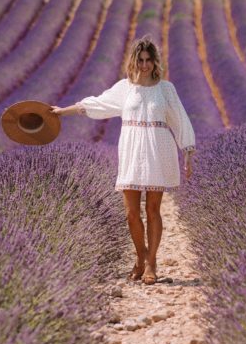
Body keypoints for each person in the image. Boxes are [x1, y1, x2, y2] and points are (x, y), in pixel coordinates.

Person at [49, 35, 196, 285]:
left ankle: (151, 263)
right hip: (131, 150)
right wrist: (63, 111)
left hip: (158, 148)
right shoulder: (124, 88)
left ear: (155, 61)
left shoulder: (165, 89)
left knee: (152, 210)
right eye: (140, 60)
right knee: (130, 213)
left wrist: (188, 153)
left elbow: (179, 119)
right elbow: (97, 104)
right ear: (134, 60)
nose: (145, 65)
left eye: (149, 60)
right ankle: (140, 257)